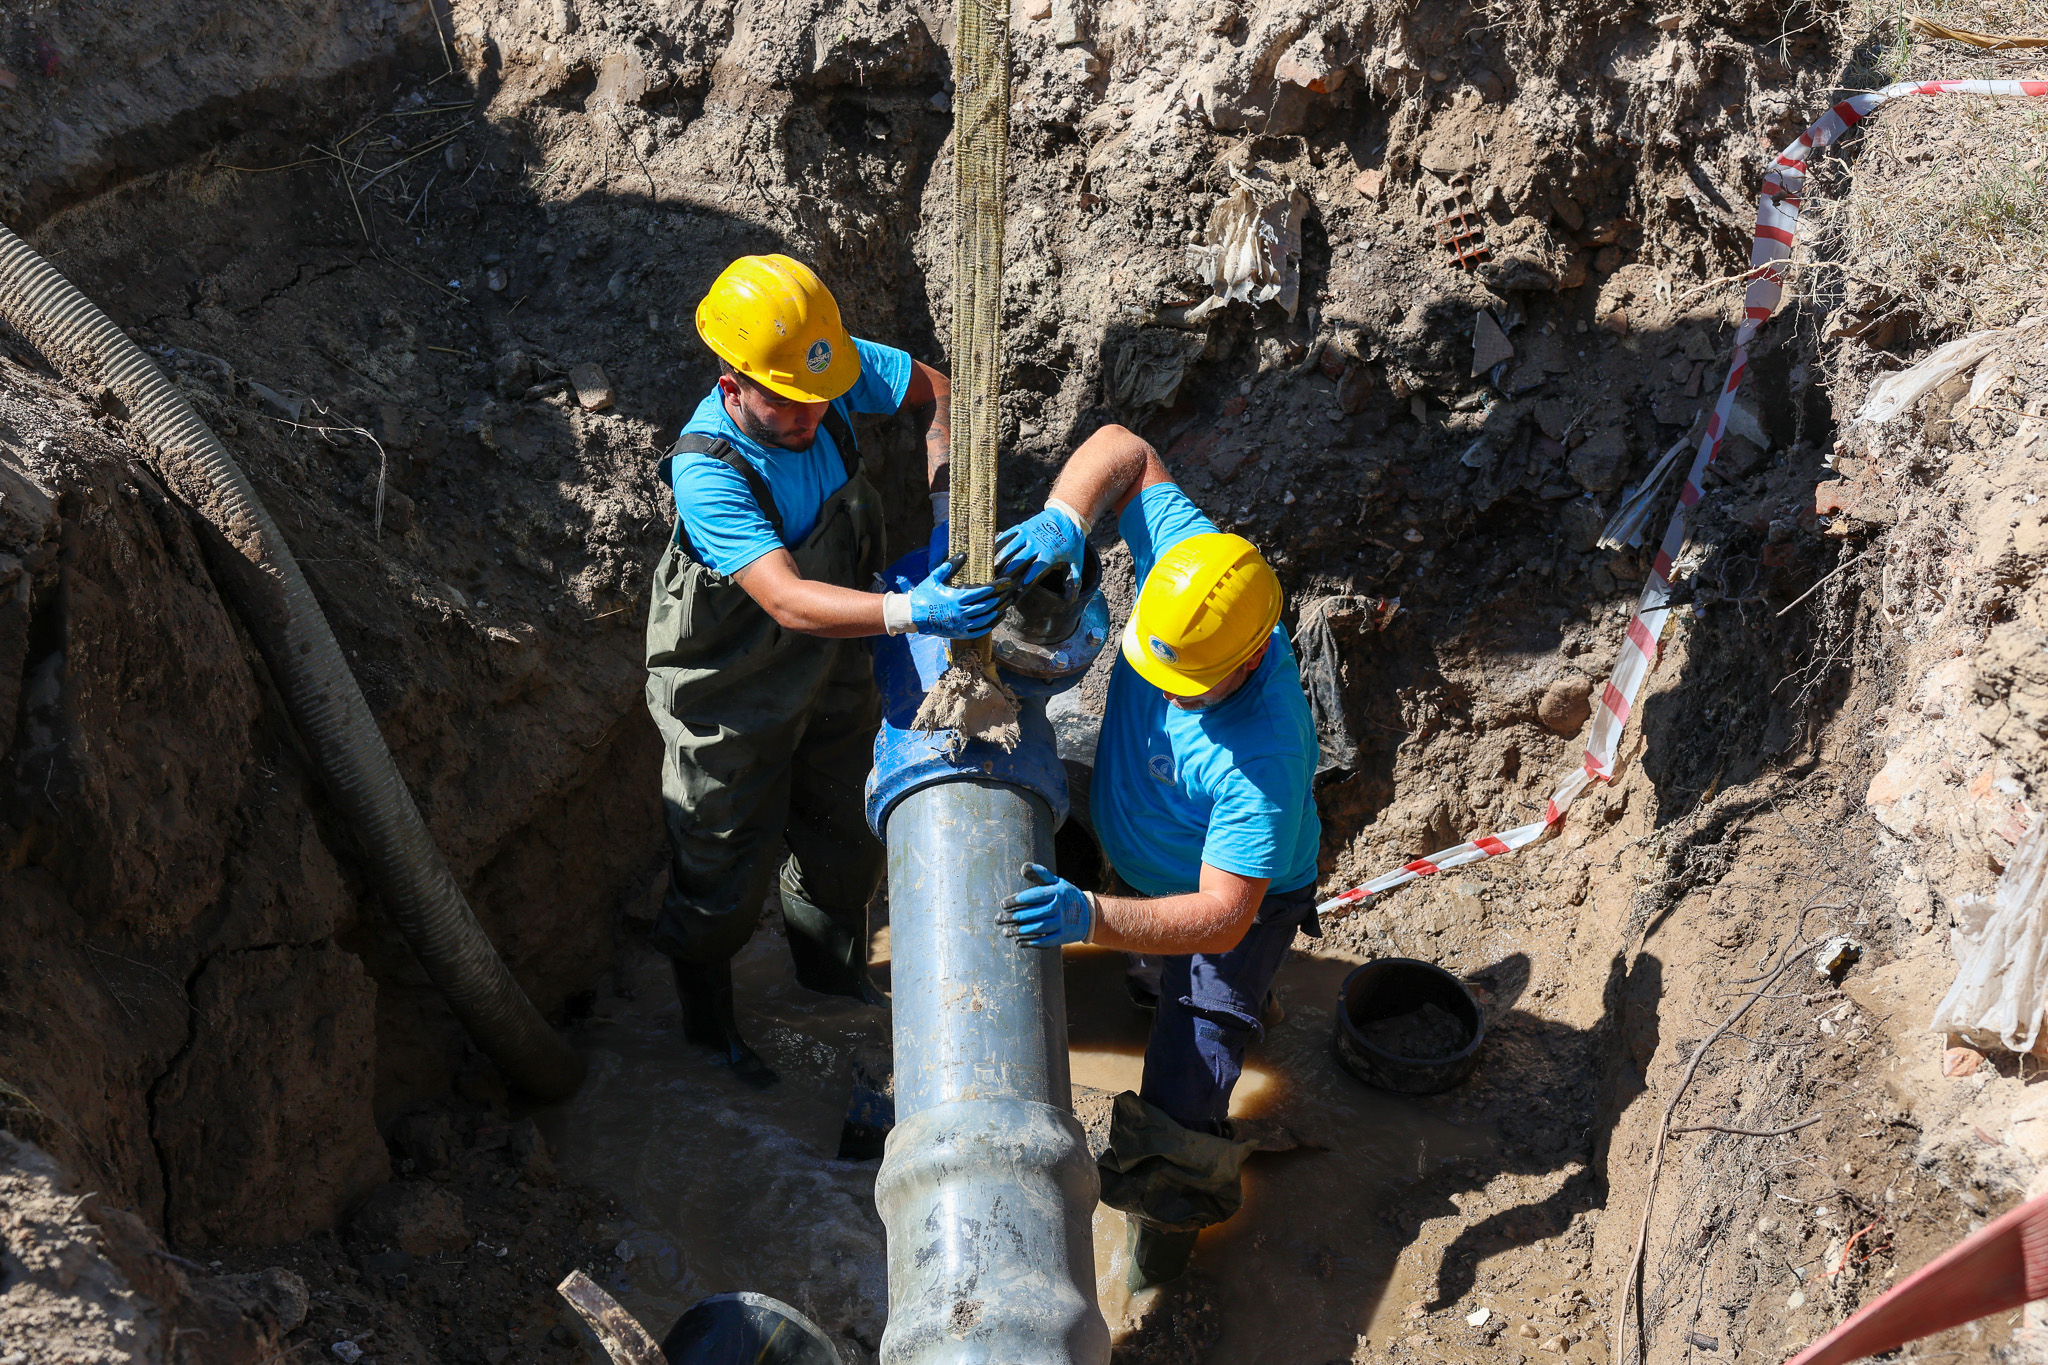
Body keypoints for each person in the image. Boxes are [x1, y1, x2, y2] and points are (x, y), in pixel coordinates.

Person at [646, 254, 1007, 1089]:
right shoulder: (709, 468)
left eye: (822, 398)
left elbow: (940, 391)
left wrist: (952, 508)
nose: (814, 415)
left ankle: (828, 973)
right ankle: (710, 1026)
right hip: (726, 691)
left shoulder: (822, 370)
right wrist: (913, 612)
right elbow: (785, 597)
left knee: (847, 831)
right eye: (789, 404)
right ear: (733, 381)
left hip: (835, 663)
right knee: (719, 864)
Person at [989, 422, 1323, 1289]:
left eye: (1186, 685)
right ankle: (1162, 975)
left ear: (1248, 660)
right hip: (1146, 849)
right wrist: (1067, 516)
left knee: (1184, 1087)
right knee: (1152, 964)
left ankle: (1158, 1265)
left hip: (1225, 904)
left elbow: (1221, 914)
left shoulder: (1263, 757)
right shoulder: (1196, 570)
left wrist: (1089, 916)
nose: (1163, 689)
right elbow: (1125, 449)